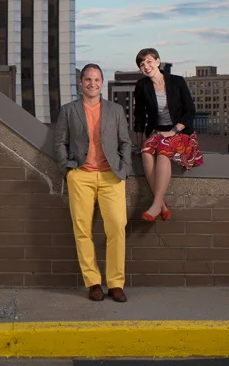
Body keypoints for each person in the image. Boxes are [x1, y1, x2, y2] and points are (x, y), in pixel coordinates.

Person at [53, 63, 133, 302]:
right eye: (87, 79)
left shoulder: (115, 110)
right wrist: (67, 169)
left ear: (102, 82)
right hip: (81, 176)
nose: (92, 84)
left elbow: (125, 142)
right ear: (81, 83)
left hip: (112, 176)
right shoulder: (68, 110)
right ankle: (93, 282)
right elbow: (59, 142)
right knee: (82, 230)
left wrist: (125, 168)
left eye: (96, 79)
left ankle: (116, 283)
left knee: (117, 227)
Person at [133, 48, 203, 222]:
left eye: (149, 61)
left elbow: (190, 112)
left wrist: (172, 131)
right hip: (157, 130)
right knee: (147, 151)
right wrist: (140, 140)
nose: (146, 66)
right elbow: (139, 115)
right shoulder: (142, 86)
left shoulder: (177, 82)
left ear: (158, 61)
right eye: (142, 64)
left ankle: (157, 205)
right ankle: (162, 206)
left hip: (180, 131)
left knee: (164, 151)